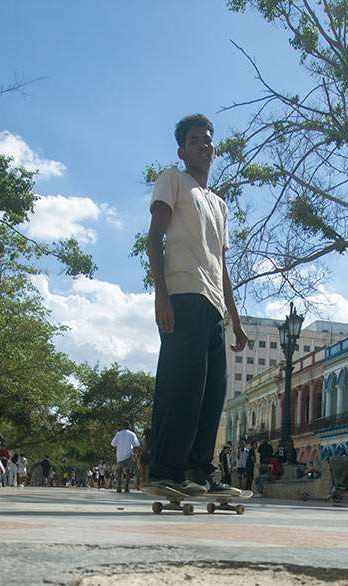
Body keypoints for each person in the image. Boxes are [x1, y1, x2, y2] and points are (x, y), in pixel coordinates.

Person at [146, 113, 248, 497]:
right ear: (181, 149)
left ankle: (200, 473)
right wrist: (162, 295)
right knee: (181, 386)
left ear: (214, 148)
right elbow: (155, 237)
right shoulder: (172, 180)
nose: (203, 145)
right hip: (182, 295)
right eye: (194, 140)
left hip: (214, 305)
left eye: (207, 140)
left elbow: (222, 265)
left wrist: (235, 321)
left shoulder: (219, 205)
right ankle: (164, 471)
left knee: (211, 394)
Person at [111, 420, 141, 493]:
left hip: (120, 455)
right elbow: (136, 444)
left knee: (119, 471)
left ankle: (119, 486)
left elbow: (113, 444)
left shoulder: (118, 434)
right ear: (128, 426)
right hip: (129, 455)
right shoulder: (132, 434)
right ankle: (126, 487)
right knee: (128, 471)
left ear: (122, 426)